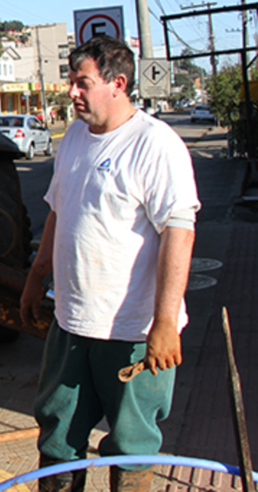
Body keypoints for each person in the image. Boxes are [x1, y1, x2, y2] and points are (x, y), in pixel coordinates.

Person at [20, 36, 199, 492]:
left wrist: (164, 322)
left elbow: (179, 233)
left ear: (118, 83)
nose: (72, 92)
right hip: (73, 322)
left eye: (83, 83)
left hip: (133, 334)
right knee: (58, 439)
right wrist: (36, 277)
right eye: (72, 82)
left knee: (132, 444)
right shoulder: (76, 137)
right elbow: (59, 211)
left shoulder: (156, 145)